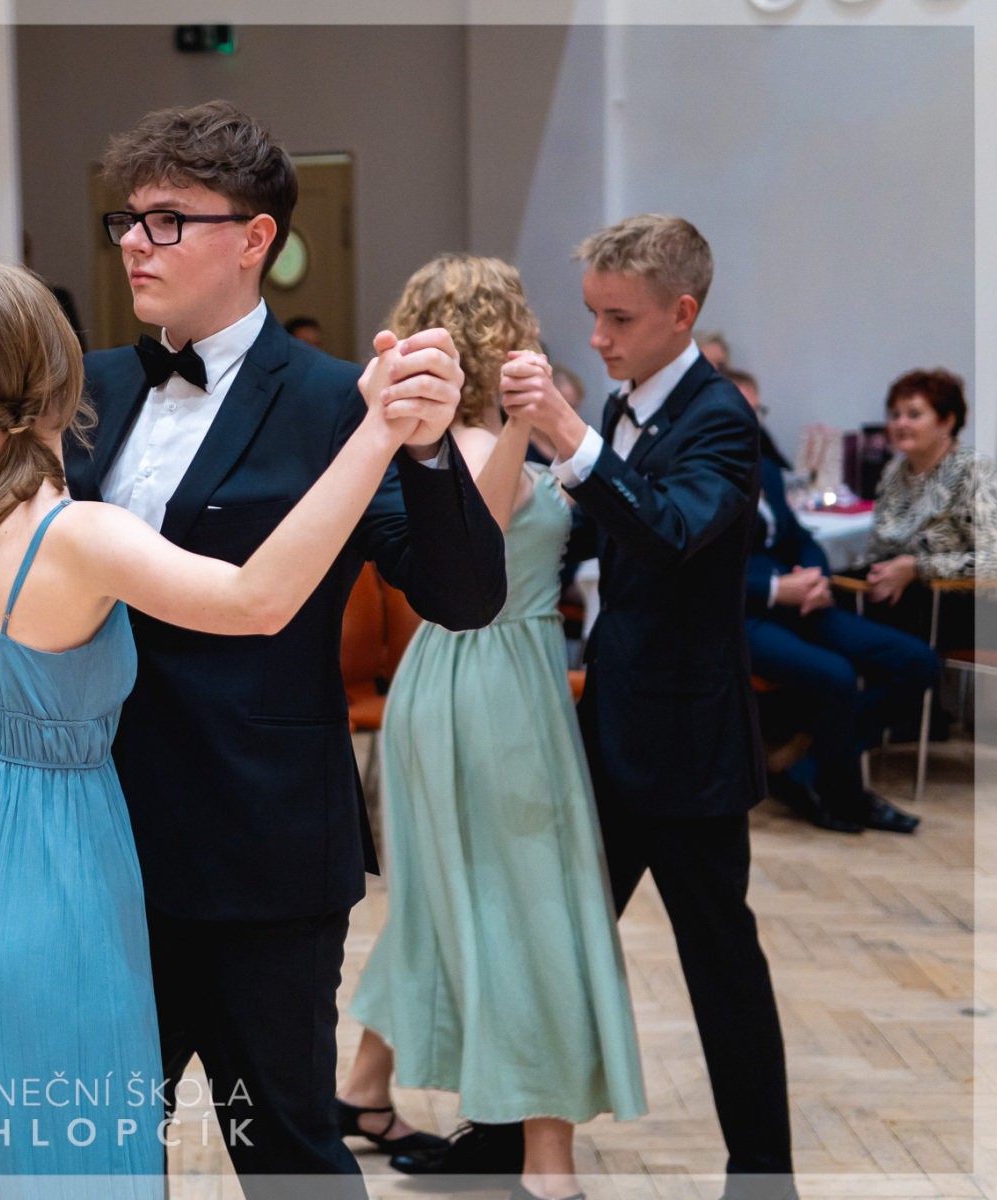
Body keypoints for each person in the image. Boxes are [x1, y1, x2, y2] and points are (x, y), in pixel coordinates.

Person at [0, 102, 508, 1190]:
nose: (134, 241)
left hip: (258, 853)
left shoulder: (336, 403)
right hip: (87, 852)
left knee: (286, 1154)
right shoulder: (82, 390)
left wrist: (432, 449)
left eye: (166, 220)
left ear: (255, 238)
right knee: (100, 1149)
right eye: (127, 218)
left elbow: (462, 595)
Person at [501, 214, 796, 1197]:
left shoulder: (719, 418)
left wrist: (569, 437)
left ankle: (764, 1175)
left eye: (617, 319)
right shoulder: (626, 403)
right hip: (609, 727)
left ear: (682, 313)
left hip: (690, 748)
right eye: (590, 315)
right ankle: (509, 1138)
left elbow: (668, 533)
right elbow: (601, 538)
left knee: (720, 963)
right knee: (556, 941)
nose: (596, 338)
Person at [340, 257, 644, 1198]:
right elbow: (481, 525)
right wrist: (523, 421)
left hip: (495, 678)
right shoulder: (460, 441)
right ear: (496, 328)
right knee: (532, 909)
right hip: (485, 682)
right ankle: (547, 1164)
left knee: (450, 899)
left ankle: (363, 1088)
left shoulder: (468, 436)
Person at [725, 369, 935, 834]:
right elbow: (701, 570)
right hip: (739, 614)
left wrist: (816, 573)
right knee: (837, 676)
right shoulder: (701, 471)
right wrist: (776, 588)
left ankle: (808, 768)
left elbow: (799, 536)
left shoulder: (765, 468)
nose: (752, 421)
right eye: (741, 410)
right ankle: (847, 796)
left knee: (915, 661)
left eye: (757, 411)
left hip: (798, 603)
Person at [858, 368, 997, 655]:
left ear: (947, 421)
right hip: (904, 605)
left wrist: (917, 568)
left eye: (913, 414)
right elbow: (877, 550)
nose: (900, 423)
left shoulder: (974, 472)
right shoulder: (893, 472)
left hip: (962, 608)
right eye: (894, 414)